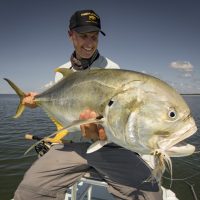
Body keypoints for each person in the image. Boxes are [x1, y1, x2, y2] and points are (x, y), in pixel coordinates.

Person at [14, 10, 164, 200]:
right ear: (71, 35)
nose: (89, 43)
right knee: (29, 189)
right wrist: (37, 102)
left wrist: (104, 133)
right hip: (73, 144)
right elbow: (59, 105)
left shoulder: (111, 69)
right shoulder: (62, 73)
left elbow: (116, 115)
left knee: (150, 194)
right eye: (83, 36)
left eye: (94, 37)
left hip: (110, 147)